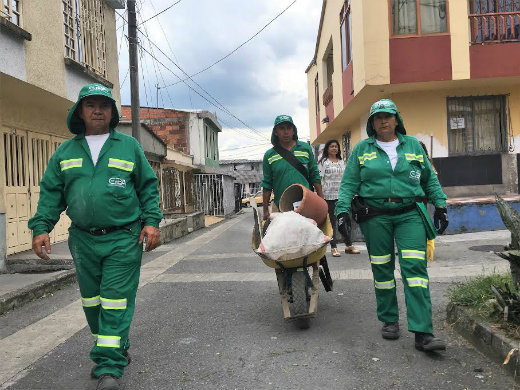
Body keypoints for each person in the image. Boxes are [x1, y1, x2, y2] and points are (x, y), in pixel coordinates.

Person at [28, 83, 163, 390]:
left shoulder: (128, 147)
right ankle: (116, 346)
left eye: (104, 104)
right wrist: (41, 227)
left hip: (123, 237)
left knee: (114, 301)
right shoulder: (65, 152)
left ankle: (109, 366)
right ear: (80, 111)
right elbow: (51, 193)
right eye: (90, 105)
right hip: (83, 240)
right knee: (93, 302)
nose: (98, 110)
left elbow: (147, 186)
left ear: (112, 111)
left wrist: (152, 222)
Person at [335, 98, 449, 352]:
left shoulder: (414, 146)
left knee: (415, 270)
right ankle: (389, 319)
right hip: (376, 216)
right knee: (382, 269)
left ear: (397, 119)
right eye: (378, 117)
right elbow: (349, 183)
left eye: (388, 116)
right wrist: (342, 211)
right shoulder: (361, 150)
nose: (383, 121)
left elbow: (429, 179)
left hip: (410, 214)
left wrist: (440, 204)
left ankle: (423, 332)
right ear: (372, 123)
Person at [261, 114, 323, 220]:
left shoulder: (305, 149)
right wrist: (265, 210)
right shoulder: (269, 155)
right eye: (282, 128)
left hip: (306, 204)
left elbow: (314, 175)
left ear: (293, 131)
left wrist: (321, 200)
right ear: (275, 132)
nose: (286, 132)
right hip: (281, 208)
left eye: (289, 128)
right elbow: (267, 184)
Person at [318, 139, 360, 257]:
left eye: (336, 146)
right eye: (331, 146)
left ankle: (348, 245)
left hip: (342, 196)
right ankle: (333, 247)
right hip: (328, 196)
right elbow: (319, 180)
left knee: (345, 220)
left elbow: (347, 178)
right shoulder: (323, 162)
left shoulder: (342, 162)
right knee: (332, 222)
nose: (334, 148)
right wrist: (320, 196)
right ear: (327, 149)